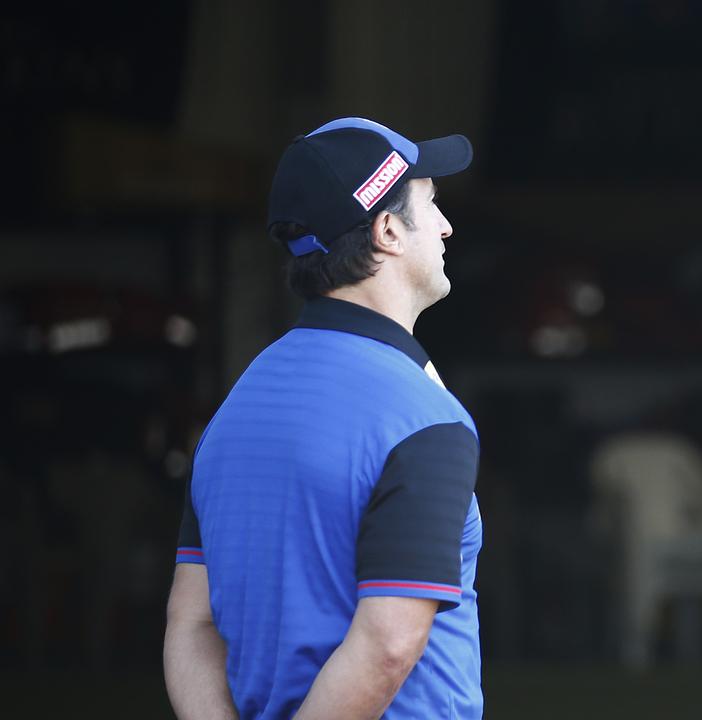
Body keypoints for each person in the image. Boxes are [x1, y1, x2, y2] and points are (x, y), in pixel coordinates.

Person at [162, 117, 483, 719]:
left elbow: (190, 622)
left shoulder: (237, 408)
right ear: (388, 230)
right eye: (431, 204)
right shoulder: (422, 420)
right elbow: (389, 645)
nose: (446, 225)